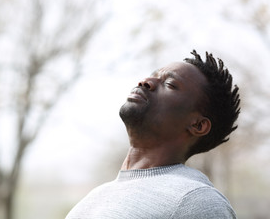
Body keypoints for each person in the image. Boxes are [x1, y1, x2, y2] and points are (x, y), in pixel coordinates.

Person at [65, 50, 241, 219]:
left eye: (170, 84)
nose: (145, 81)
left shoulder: (197, 201)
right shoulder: (93, 199)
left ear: (197, 125)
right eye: (152, 75)